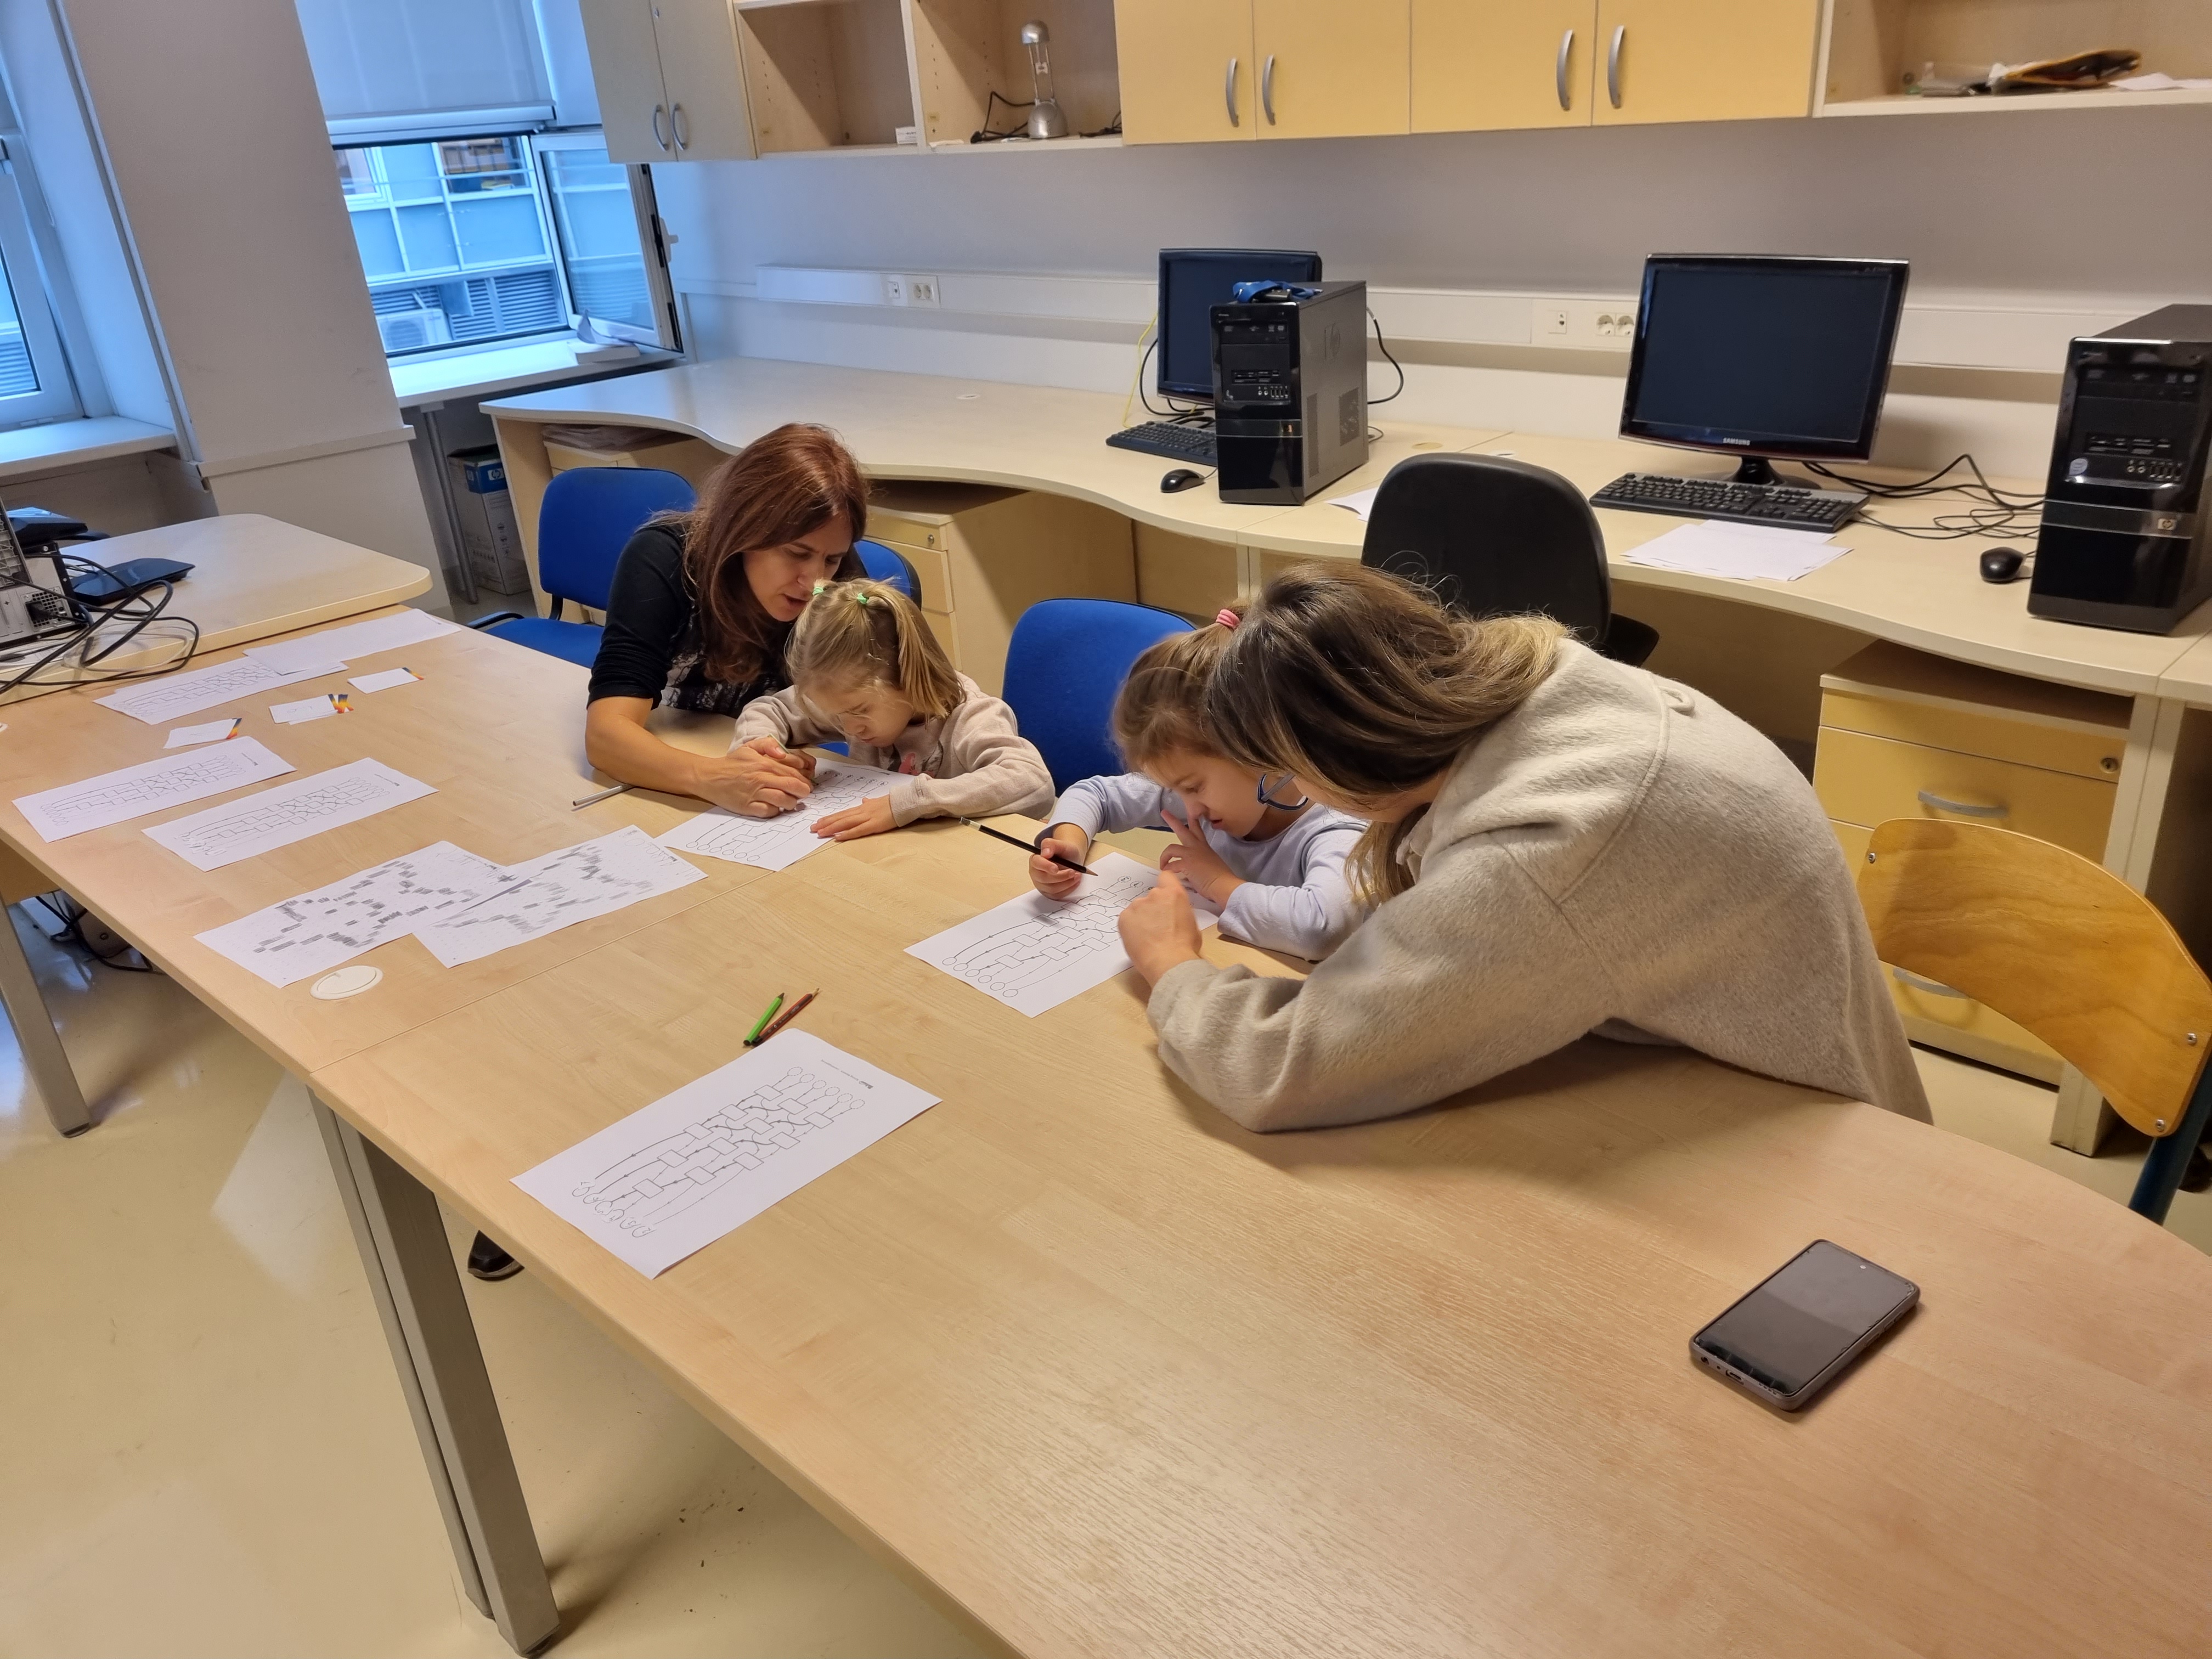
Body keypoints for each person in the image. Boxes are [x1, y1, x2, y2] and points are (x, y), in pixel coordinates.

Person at [1114, 564, 1931, 1134]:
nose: (1295, 792)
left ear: (1344, 760)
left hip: (1815, 1140)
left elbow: (1277, 1070)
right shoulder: (1549, 679)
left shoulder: (1544, 845)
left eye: (1289, 772)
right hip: (1726, 1056)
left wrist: (1172, 967)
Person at [1029, 608, 1363, 960]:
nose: (1190, 810)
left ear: (1260, 747)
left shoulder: (1338, 825)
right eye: (1176, 790)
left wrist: (1217, 883)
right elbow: (1096, 794)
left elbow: (1323, 928)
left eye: (1192, 787)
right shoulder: (1206, 792)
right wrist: (1070, 843)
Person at [583, 422, 870, 820]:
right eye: (796, 553)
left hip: (772, 770)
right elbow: (605, 736)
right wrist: (710, 777)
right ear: (744, 528)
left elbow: (885, 705)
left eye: (832, 559)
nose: (815, 582)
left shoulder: (840, 583)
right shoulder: (665, 559)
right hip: (688, 749)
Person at [731, 578, 1053, 838]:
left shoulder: (971, 717)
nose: (849, 727)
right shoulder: (848, 699)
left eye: (859, 711)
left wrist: (913, 802)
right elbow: (770, 709)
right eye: (837, 715)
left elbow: (1032, 780)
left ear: (907, 676)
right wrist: (762, 752)